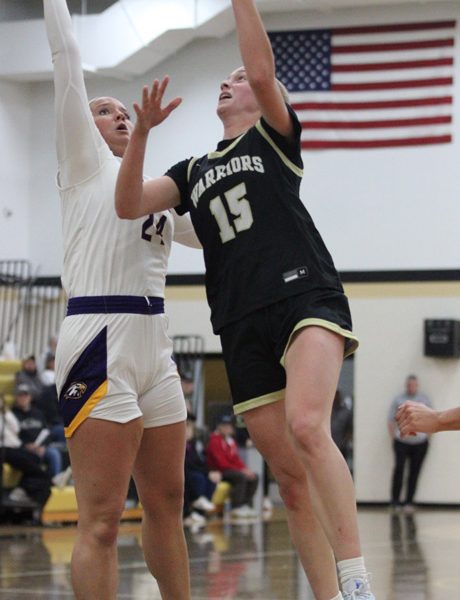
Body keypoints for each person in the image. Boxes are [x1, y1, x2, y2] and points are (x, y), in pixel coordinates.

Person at [115, 1, 376, 597]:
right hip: (237, 320)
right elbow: (129, 204)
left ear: (265, 98)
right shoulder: (191, 169)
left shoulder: (273, 136)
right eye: (225, 79)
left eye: (240, 78)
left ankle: (357, 582)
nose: (232, 82)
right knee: (288, 480)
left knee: (309, 427)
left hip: (304, 292)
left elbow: (261, 73)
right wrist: (143, 137)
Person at [42, 1, 200, 598]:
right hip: (98, 337)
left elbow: (214, 232)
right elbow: (69, 57)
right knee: (103, 519)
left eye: (119, 110)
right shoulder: (82, 165)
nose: (116, 116)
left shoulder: (155, 191)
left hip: (155, 346)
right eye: (101, 111)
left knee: (166, 506)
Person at [0, 394, 52, 522]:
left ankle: (22, 490)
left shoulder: (7, 414)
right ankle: (18, 494)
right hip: (5, 449)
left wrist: (5, 414)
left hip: (15, 447)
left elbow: (16, 428)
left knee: (37, 462)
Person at [388, 375, 432, 514]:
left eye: (413, 385)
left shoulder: (424, 400)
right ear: (406, 385)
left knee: (414, 471)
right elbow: (391, 420)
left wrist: (427, 437)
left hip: (420, 443)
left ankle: (409, 501)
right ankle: (395, 502)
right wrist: (393, 438)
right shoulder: (399, 400)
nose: (411, 387)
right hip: (402, 442)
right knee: (399, 470)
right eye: (409, 385)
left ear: (417, 385)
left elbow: (432, 419)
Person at [206, 414, 259, 518]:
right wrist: (241, 471)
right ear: (219, 427)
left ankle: (244, 504)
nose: (228, 428)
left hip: (230, 469)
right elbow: (221, 463)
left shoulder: (230, 441)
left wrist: (245, 469)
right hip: (219, 470)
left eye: (229, 425)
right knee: (241, 477)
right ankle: (236, 506)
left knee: (254, 477)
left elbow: (236, 459)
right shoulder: (214, 440)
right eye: (225, 425)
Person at [11, 384, 63, 478]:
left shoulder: (38, 413)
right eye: (20, 395)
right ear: (16, 397)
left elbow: (47, 432)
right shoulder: (12, 415)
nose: (23, 398)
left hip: (40, 446)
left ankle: (54, 481)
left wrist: (43, 446)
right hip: (23, 448)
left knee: (54, 453)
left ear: (30, 397)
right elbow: (11, 437)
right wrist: (25, 446)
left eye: (25, 395)